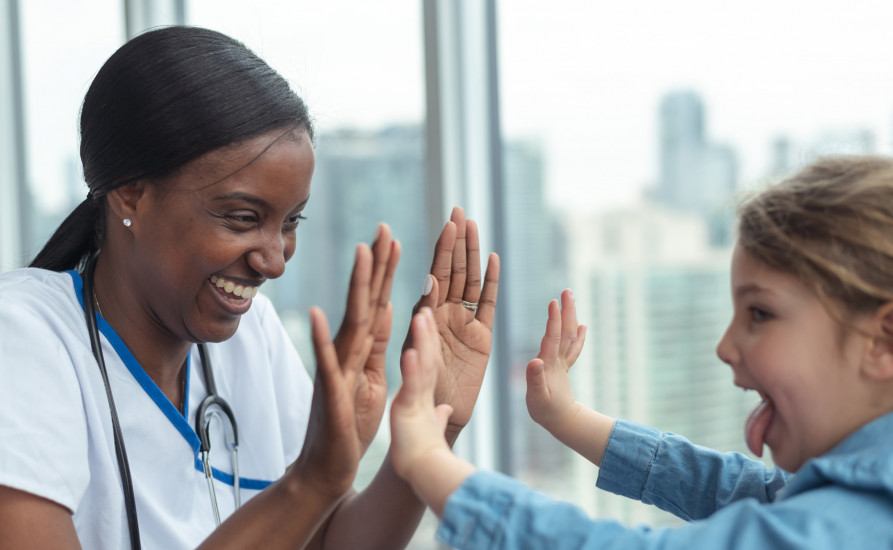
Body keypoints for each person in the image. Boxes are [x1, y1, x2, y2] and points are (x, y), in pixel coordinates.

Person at [0, 25, 500, 549]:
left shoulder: (251, 336)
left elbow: (328, 543)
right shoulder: (25, 337)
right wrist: (309, 482)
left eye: (290, 223)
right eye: (242, 218)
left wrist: (431, 425)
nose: (274, 261)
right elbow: (308, 497)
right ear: (131, 194)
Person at [390, 155, 893, 548]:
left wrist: (431, 463)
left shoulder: (860, 520)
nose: (725, 346)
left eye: (760, 313)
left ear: (882, 341)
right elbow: (735, 491)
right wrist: (567, 417)